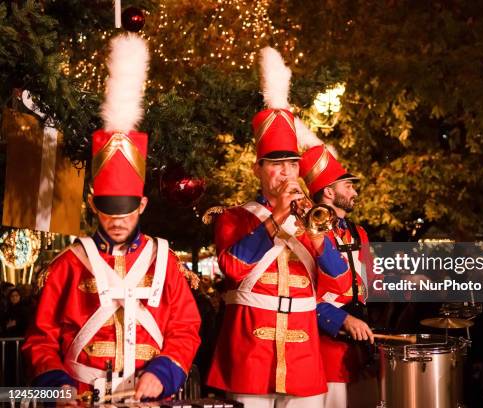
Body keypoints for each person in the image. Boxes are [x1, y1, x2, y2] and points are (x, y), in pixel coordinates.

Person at [22, 34, 200, 404]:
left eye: (126, 211)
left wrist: (164, 372)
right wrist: (55, 383)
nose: (117, 221)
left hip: (148, 397)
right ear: (92, 204)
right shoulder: (70, 263)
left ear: (143, 205)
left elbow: (185, 328)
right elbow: (41, 337)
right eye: (108, 211)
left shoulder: (165, 262)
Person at [206, 47, 351, 408]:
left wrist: (316, 236)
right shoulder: (234, 217)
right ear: (258, 168)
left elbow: (341, 282)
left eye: (291, 164)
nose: (286, 173)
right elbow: (233, 269)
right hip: (250, 355)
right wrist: (276, 218)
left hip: (303, 357)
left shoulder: (313, 218)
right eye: (276, 165)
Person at [298, 143, 374, 408]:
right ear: (329, 191)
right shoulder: (307, 232)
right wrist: (341, 320)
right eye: (348, 186)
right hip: (324, 347)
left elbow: (369, 283)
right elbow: (301, 292)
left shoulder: (359, 233)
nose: (354, 191)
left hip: (358, 347)